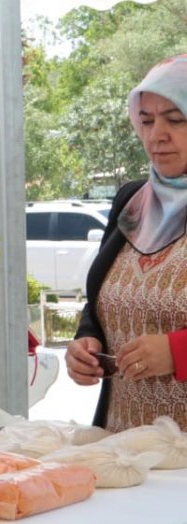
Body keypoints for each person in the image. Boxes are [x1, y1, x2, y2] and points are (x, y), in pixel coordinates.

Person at [66, 54, 187, 430]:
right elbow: (103, 300)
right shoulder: (132, 201)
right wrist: (88, 341)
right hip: (124, 443)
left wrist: (177, 352)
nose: (156, 135)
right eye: (146, 121)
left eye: (175, 119)